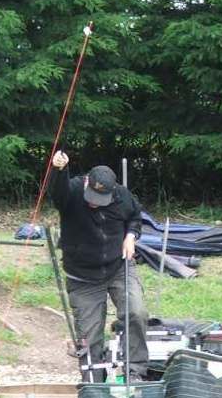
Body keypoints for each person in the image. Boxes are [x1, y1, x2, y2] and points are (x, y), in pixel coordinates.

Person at [50, 150, 149, 382]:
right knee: (90, 334)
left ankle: (135, 371)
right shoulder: (73, 191)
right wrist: (59, 171)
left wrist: (131, 236)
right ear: (86, 183)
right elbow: (57, 194)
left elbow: (135, 216)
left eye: (100, 199)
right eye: (92, 196)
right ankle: (94, 382)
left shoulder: (122, 196)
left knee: (136, 313)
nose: (95, 203)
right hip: (82, 278)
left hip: (118, 268)